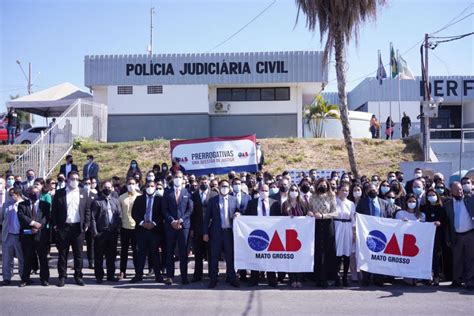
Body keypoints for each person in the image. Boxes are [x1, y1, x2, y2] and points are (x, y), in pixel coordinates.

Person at [51, 171, 91, 287]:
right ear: (67, 179)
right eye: (72, 179)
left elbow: (87, 210)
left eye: (77, 179)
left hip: (78, 228)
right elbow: (54, 211)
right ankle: (62, 276)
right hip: (63, 228)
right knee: (62, 254)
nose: (75, 181)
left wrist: (87, 223)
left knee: (78, 254)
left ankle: (78, 276)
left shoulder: (83, 192)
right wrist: (55, 225)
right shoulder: (59, 193)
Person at [203, 179, 241, 288]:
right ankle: (213, 280)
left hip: (229, 232)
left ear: (229, 188)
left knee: (230, 256)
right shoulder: (213, 200)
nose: (224, 188)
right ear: (219, 188)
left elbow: (238, 212)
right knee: (214, 257)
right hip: (216, 233)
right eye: (222, 186)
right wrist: (205, 233)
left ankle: (232, 278)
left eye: (226, 186)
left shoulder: (234, 200)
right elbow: (207, 219)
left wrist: (238, 213)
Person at [244, 184, 282, 287]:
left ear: (268, 192)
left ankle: (272, 279)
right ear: (259, 191)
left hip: (271, 233)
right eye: (262, 190)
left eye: (266, 190)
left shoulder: (275, 203)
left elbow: (279, 219)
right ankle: (254, 279)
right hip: (256, 234)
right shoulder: (252, 203)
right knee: (255, 256)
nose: (264, 192)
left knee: (270, 257)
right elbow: (246, 217)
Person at [356, 183, 392, 286]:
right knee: (367, 255)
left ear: (378, 190)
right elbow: (358, 217)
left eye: (374, 189)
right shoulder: (362, 203)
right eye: (370, 190)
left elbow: (389, 217)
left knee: (379, 256)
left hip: (381, 234)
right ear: (367, 191)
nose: (373, 191)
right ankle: (366, 278)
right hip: (367, 233)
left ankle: (378, 278)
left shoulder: (385, 203)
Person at [162, 171, 193, 285]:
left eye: (180, 177)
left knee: (183, 252)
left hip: (183, 226)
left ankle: (184, 277)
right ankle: (169, 276)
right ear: (173, 178)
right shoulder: (167, 192)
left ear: (183, 179)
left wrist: (181, 220)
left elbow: (190, 209)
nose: (178, 179)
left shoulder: (187, 192)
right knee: (169, 251)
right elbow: (164, 209)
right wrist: (172, 221)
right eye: (176, 177)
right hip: (171, 226)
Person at [130, 181, 164, 283]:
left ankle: (158, 275)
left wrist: (154, 223)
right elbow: (134, 213)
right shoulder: (139, 199)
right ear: (145, 187)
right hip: (141, 230)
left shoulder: (159, 200)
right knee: (141, 253)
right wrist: (141, 223)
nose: (150, 188)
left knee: (155, 254)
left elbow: (162, 214)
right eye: (148, 186)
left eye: (152, 186)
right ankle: (138, 275)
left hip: (155, 230)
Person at [17, 186, 51, 287]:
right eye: (32, 193)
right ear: (28, 194)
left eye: (36, 193)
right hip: (27, 235)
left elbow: (47, 217)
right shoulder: (22, 204)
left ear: (39, 193)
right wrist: (33, 223)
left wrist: (39, 226)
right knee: (27, 258)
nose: (34, 195)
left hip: (41, 236)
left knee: (43, 259)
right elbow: (21, 216)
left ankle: (44, 279)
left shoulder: (45, 205)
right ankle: (25, 279)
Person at [308, 178, 338, 288]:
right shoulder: (313, 196)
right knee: (318, 251)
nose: (322, 186)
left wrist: (323, 216)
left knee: (328, 251)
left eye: (325, 185)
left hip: (327, 225)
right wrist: (310, 213)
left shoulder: (331, 196)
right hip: (316, 225)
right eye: (320, 185)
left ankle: (328, 277)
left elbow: (335, 213)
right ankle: (318, 277)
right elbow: (309, 209)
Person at [90, 181, 122, 283]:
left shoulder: (115, 201)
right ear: (102, 188)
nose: (107, 189)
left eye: (109, 187)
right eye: (105, 187)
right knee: (99, 256)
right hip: (101, 232)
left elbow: (119, 215)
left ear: (112, 188)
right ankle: (99, 276)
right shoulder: (97, 201)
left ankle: (110, 275)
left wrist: (118, 229)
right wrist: (95, 233)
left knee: (111, 256)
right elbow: (93, 218)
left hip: (112, 232)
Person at [444, 182, 474, 290]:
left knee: (470, 259)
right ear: (451, 191)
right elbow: (446, 222)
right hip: (456, 235)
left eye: (460, 189)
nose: (459, 191)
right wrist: (447, 237)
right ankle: (456, 280)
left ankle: (470, 282)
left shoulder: (470, 199)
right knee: (457, 259)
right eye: (456, 190)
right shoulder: (448, 204)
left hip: (470, 233)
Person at [281, 184, 308, 288]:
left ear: (298, 192)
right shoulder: (285, 204)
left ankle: (299, 278)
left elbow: (306, 217)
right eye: (292, 190)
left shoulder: (303, 204)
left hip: (301, 234)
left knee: (300, 257)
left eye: (296, 190)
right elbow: (281, 219)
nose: (293, 191)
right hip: (289, 234)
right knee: (291, 257)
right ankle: (292, 279)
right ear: (289, 192)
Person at [190, 175, 216, 282]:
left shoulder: (214, 195)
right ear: (198, 182)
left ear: (208, 182)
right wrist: (192, 228)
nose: (204, 184)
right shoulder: (194, 195)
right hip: (197, 228)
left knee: (211, 253)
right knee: (198, 253)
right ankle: (197, 275)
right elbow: (191, 213)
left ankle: (212, 274)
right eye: (202, 182)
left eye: (206, 182)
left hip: (210, 228)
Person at [420, 188, 447, 286]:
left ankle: (436, 276)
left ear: (437, 196)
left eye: (433, 195)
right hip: (425, 235)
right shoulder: (423, 208)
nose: (431, 197)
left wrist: (440, 223)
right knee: (425, 256)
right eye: (429, 195)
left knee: (435, 256)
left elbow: (445, 221)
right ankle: (426, 276)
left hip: (437, 235)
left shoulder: (441, 208)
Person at [1, 187, 24, 285]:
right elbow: (1, 218)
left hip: (19, 235)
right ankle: (6, 277)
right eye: (9, 195)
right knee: (6, 258)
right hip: (7, 235)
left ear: (18, 194)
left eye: (12, 195)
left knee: (21, 257)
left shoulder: (23, 204)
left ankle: (23, 276)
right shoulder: (6, 205)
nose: (10, 197)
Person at [118, 177, 141, 280]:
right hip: (125, 227)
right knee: (124, 251)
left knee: (136, 251)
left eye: (133, 183)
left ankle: (137, 272)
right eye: (129, 184)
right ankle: (122, 271)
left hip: (136, 228)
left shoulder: (140, 196)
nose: (131, 185)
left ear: (136, 184)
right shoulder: (121, 198)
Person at [334, 184, 356, 287]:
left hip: (347, 227)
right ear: (339, 191)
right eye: (343, 190)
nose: (345, 192)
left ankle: (345, 276)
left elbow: (353, 219)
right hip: (337, 226)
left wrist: (354, 233)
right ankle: (336, 275)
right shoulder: (334, 201)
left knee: (347, 252)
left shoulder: (351, 204)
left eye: (347, 191)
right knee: (338, 252)